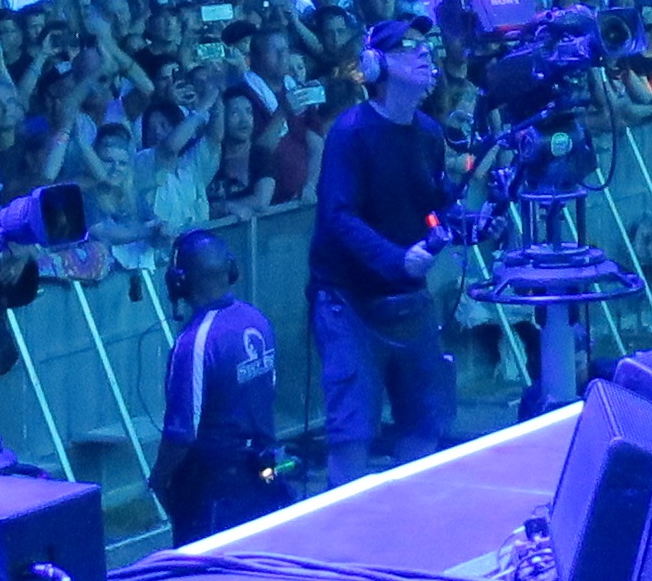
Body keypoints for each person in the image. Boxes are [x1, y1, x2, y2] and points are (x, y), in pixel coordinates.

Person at [308, 26, 457, 482]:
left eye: (427, 48)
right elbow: (339, 216)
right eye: (410, 48)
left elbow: (431, 205)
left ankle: (410, 514)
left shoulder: (428, 133)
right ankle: (347, 523)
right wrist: (397, 259)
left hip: (409, 300)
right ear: (375, 64)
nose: (424, 55)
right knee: (352, 433)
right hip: (348, 303)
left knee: (425, 422)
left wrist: (460, 220)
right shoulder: (350, 133)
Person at [149, 227, 282, 544]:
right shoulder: (256, 319)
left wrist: (159, 480)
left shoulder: (193, 344)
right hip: (264, 477)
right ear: (230, 271)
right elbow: (268, 391)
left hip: (215, 497)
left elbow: (181, 434)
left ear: (180, 282)